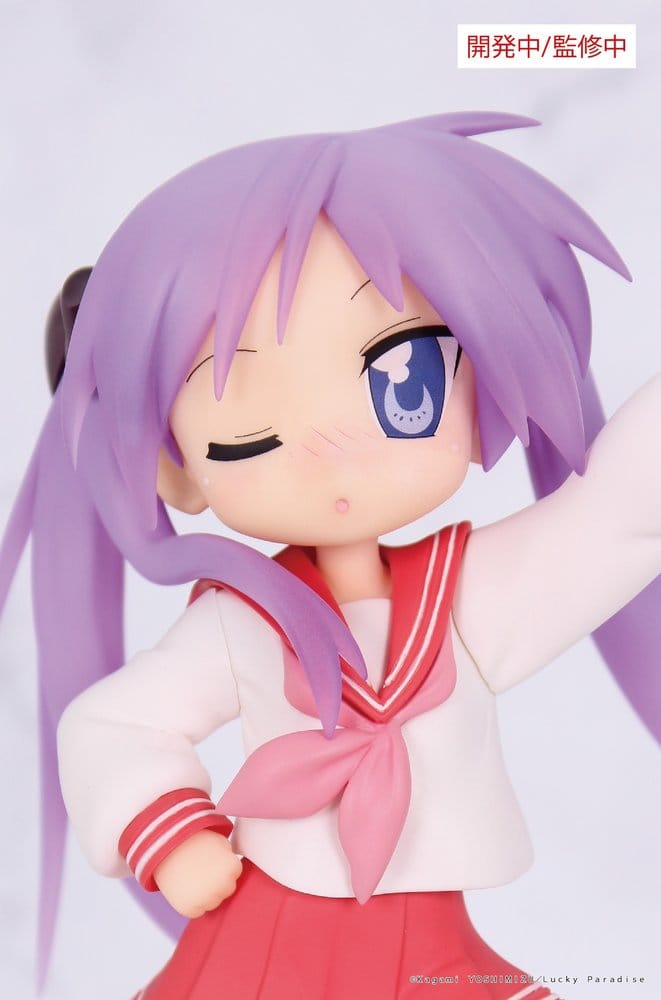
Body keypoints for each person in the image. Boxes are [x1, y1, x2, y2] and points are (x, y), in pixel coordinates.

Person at [1, 113, 659, 999]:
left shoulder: (465, 602)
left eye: (403, 378)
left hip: (431, 951)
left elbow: (614, 520)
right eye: (247, 428)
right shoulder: (241, 625)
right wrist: (171, 832)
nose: (330, 447)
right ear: (173, 468)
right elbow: (111, 726)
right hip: (262, 943)